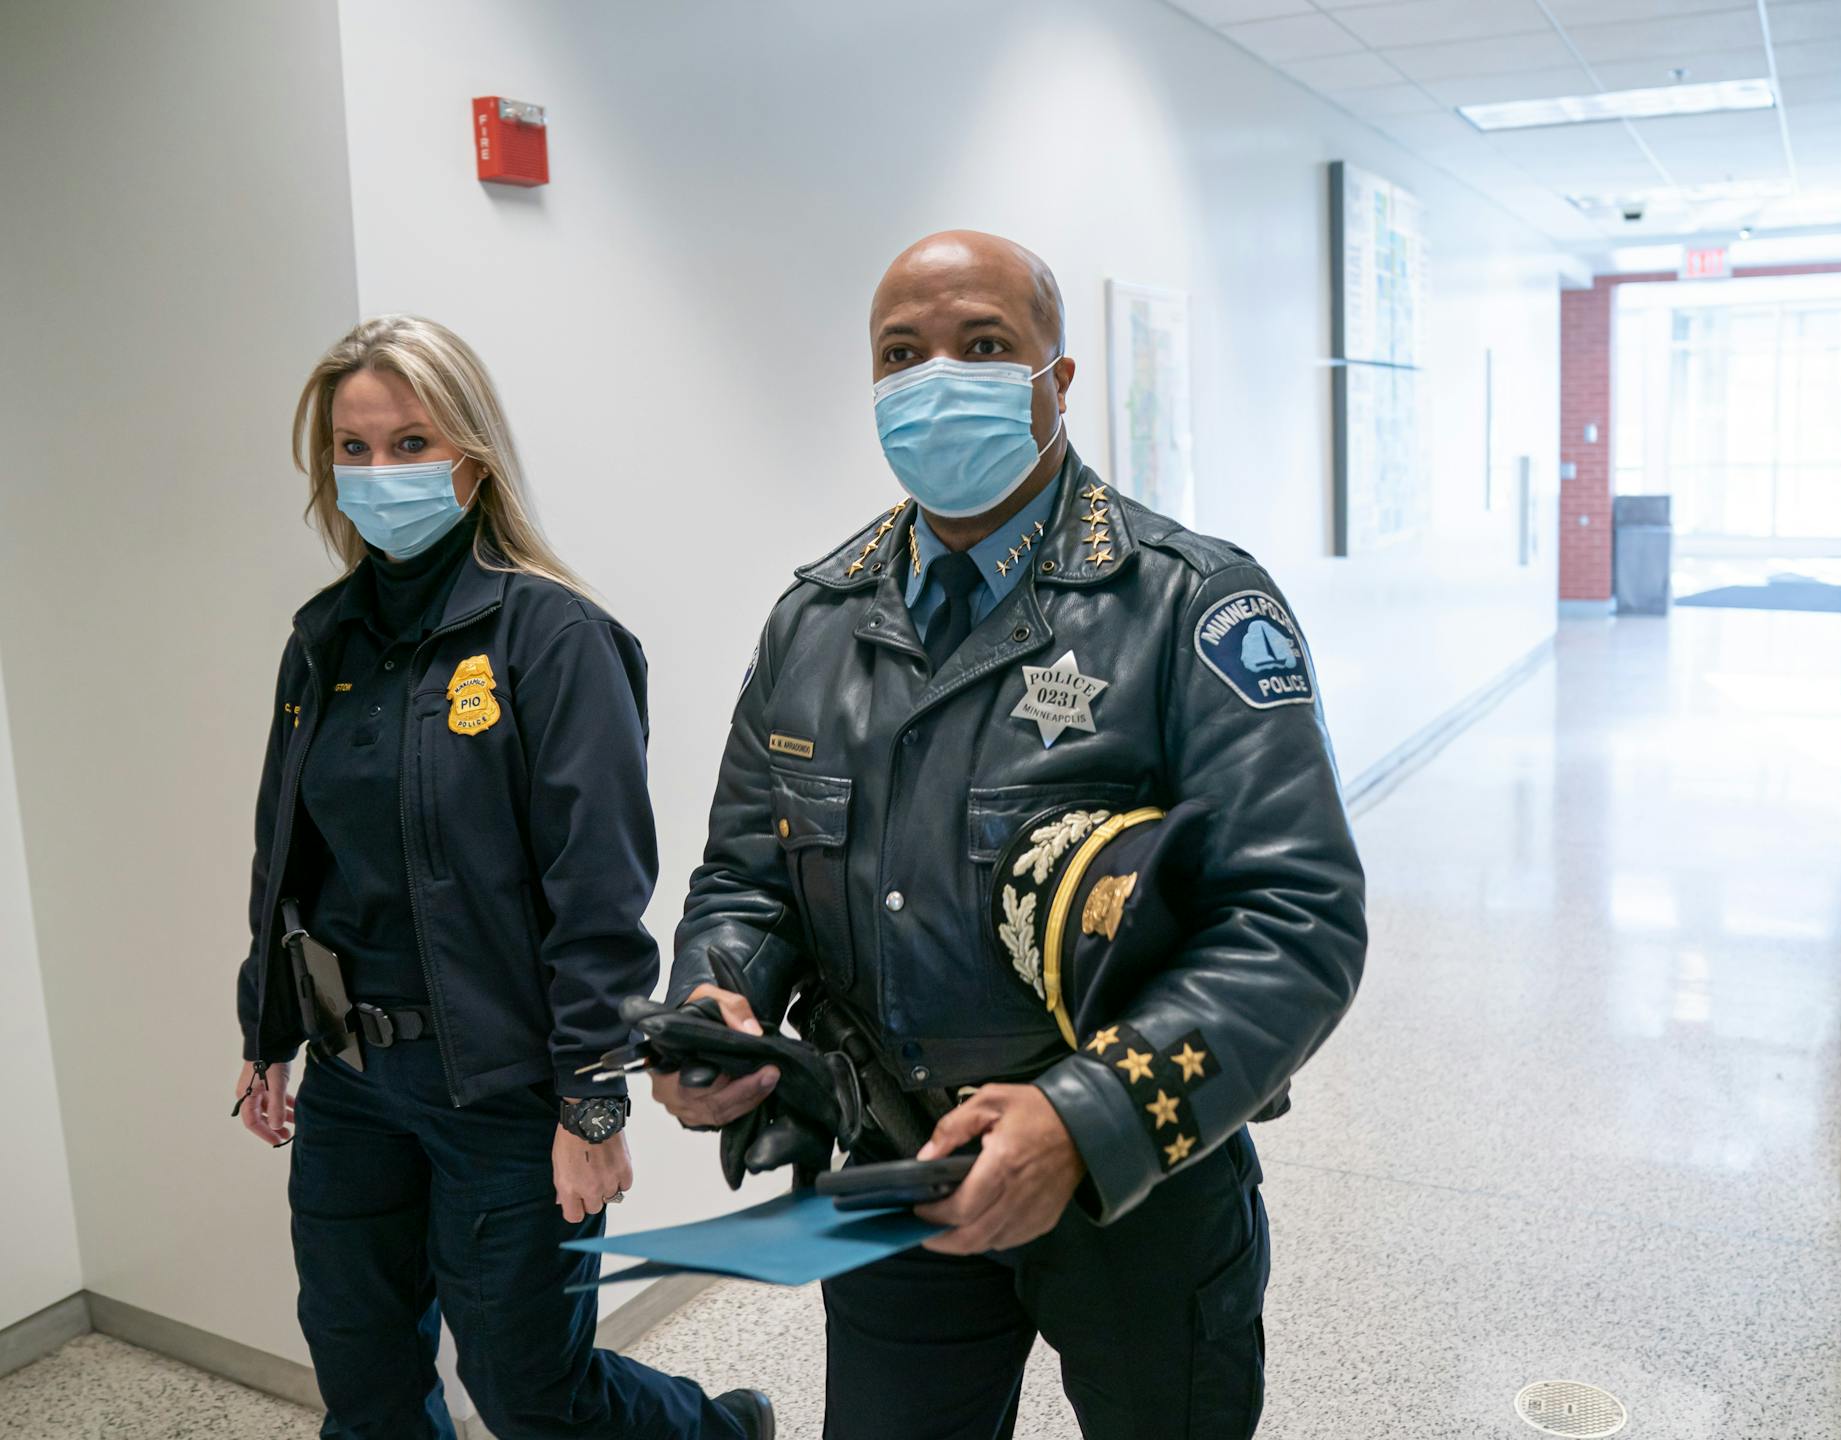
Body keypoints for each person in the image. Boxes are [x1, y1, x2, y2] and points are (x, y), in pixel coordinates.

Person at [651, 233, 1367, 1439]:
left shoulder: (1191, 602)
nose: (939, 376)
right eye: (901, 354)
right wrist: (718, 1000)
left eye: (983, 346)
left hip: (1138, 1182)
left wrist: (1083, 1120)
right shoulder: (814, 623)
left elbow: (1296, 924)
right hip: (893, 1169)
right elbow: (746, 876)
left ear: (1059, 377)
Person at [229, 315, 772, 1440]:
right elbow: (286, 855)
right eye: (354, 447)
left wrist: (591, 1095)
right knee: (366, 1381)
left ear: (472, 457)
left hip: (502, 1086)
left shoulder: (553, 637)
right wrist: (264, 1033)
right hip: (352, 1079)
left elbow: (599, 891)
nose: (380, 473)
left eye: (412, 442)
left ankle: (718, 1432)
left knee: (531, 1390)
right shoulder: (321, 642)